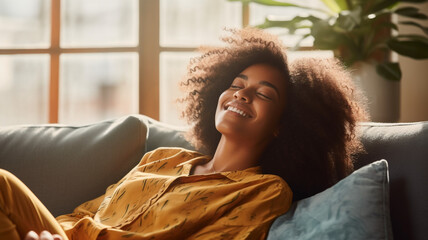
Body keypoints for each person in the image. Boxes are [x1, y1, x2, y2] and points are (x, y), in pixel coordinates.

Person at [0, 28, 367, 240]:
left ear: (283, 126)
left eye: (264, 94)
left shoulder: (265, 190)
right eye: (238, 84)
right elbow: (88, 213)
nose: (242, 93)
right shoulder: (163, 158)